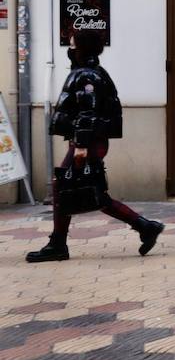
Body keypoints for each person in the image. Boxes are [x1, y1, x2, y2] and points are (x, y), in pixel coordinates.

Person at [26, 31, 164, 263]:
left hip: (88, 143)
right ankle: (144, 227)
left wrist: (80, 145)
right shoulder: (86, 71)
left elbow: (88, 113)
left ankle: (58, 244)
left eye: (73, 43)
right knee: (86, 191)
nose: (69, 46)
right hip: (90, 141)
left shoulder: (87, 76)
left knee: (68, 188)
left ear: (81, 47)